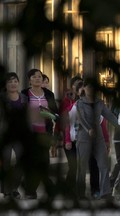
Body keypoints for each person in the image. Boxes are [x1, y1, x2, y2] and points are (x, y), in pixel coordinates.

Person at [76, 77, 120, 200]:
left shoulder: (100, 103)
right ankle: (80, 194)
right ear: (84, 88)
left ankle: (105, 192)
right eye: (88, 86)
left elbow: (109, 116)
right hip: (84, 138)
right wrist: (88, 129)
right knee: (81, 166)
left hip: (99, 138)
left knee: (104, 165)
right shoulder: (79, 103)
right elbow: (81, 119)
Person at [21, 68, 58, 199]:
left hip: (45, 132)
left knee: (44, 162)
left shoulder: (49, 94)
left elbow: (55, 113)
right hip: (29, 133)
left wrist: (47, 113)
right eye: (35, 77)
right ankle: (30, 190)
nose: (38, 78)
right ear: (29, 79)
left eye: (40, 77)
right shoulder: (24, 94)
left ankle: (29, 187)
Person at [0, 72, 31, 199]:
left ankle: (14, 188)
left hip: (20, 135)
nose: (13, 84)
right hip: (5, 135)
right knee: (5, 162)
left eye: (15, 81)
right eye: (10, 81)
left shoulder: (24, 98)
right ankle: (7, 190)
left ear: (18, 83)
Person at [58, 75, 83, 197]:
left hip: (81, 139)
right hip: (69, 137)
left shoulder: (85, 100)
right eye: (76, 84)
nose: (78, 87)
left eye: (81, 84)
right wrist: (65, 138)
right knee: (73, 166)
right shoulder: (66, 100)